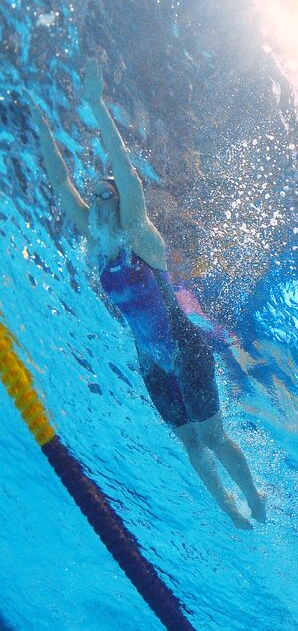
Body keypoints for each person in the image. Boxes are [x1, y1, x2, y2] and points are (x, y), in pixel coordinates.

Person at [29, 60, 267, 527]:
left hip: (184, 347)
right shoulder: (97, 241)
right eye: (92, 194)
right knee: (189, 441)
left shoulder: (137, 234)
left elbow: (127, 175)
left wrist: (97, 104)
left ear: (120, 203)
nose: (92, 200)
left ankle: (253, 494)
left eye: (102, 195)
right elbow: (60, 183)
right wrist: (41, 125)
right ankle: (230, 510)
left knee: (212, 435)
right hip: (152, 361)